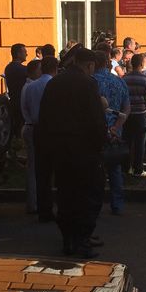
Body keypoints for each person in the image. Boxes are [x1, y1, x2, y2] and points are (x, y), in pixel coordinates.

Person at [36, 47, 106, 258]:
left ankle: (68, 239)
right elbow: (96, 119)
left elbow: (44, 116)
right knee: (88, 195)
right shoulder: (88, 84)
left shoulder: (54, 83)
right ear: (90, 65)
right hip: (84, 149)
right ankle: (83, 240)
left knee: (66, 195)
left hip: (59, 149)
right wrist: (100, 144)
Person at [93, 50, 130, 216]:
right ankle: (117, 204)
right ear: (108, 63)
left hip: (96, 130)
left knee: (95, 168)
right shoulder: (119, 81)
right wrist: (116, 126)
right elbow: (127, 108)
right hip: (115, 129)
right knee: (115, 168)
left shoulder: (91, 82)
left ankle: (95, 204)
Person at [21, 56, 57, 217]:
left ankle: (39, 205)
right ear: (55, 68)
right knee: (54, 168)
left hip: (34, 127)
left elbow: (25, 107)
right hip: (51, 129)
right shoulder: (54, 85)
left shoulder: (30, 86)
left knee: (38, 169)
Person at [124, 53, 146, 177]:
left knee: (127, 141)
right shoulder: (145, 79)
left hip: (127, 114)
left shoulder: (124, 78)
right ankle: (138, 169)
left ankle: (126, 167)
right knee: (140, 143)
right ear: (141, 64)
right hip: (141, 113)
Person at [5, 43, 29, 130]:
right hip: (21, 102)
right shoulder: (22, 69)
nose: (26, 54)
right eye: (24, 52)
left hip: (13, 100)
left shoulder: (8, 67)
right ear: (18, 54)